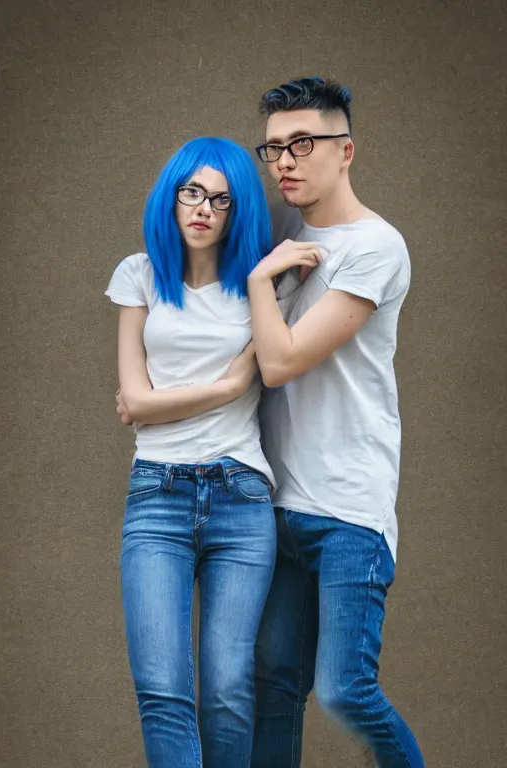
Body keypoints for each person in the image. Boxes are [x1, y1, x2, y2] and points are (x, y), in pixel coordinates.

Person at [248, 78, 426, 767]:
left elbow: (283, 360)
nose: (285, 161)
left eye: (302, 144)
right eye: (273, 149)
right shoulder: (283, 232)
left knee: (346, 692)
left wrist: (262, 282)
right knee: (272, 687)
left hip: (349, 509)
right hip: (276, 506)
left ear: (345, 150)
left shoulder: (377, 247)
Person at [105, 136, 277, 768]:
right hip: (157, 497)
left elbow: (147, 403)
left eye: (222, 199)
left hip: (241, 498)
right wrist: (230, 385)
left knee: (228, 690)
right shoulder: (139, 274)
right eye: (193, 191)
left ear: (238, 212)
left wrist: (158, 401)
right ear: (172, 195)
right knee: (161, 691)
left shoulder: (261, 285)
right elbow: (135, 402)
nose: (204, 207)